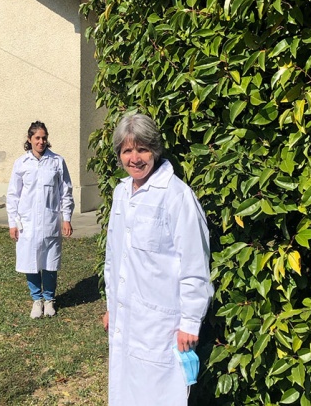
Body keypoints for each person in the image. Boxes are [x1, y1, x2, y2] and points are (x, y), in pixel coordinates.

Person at [102, 113, 214, 405]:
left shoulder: (177, 196)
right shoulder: (121, 193)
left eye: (142, 149)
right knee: (125, 391)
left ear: (155, 149)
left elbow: (195, 266)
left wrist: (190, 322)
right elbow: (114, 258)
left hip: (161, 326)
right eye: (127, 150)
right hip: (127, 319)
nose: (135, 158)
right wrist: (111, 306)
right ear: (119, 155)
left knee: (158, 395)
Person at [7, 121, 74, 319]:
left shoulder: (57, 162)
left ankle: (49, 299)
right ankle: (36, 300)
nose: (41, 141)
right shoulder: (21, 163)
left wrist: (67, 218)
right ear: (30, 140)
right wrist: (12, 223)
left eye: (44, 138)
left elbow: (66, 192)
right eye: (37, 138)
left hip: (50, 220)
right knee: (31, 261)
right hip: (27, 222)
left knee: (49, 261)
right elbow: (13, 195)